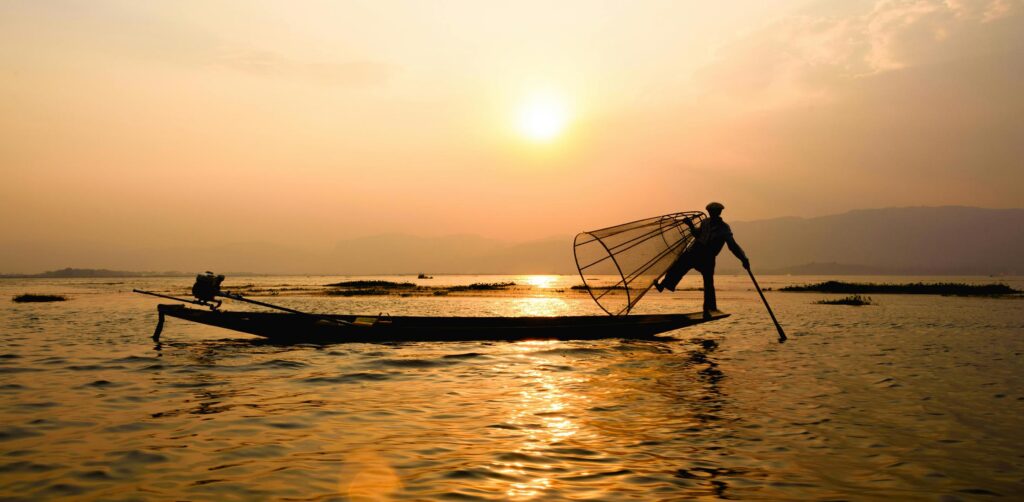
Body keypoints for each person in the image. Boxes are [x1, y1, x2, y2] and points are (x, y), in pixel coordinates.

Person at [653, 202, 750, 317]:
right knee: (679, 264)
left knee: (708, 282)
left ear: (718, 213)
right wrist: (690, 225)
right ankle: (664, 285)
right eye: (710, 212)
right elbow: (697, 235)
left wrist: (743, 259)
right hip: (696, 251)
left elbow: (733, 246)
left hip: (708, 257)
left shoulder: (724, 228)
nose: (712, 214)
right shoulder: (705, 223)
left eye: (714, 212)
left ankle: (710, 308)